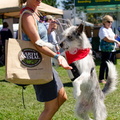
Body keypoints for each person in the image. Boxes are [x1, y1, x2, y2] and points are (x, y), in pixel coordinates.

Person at [18, 0, 72, 120]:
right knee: (51, 106)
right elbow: (37, 43)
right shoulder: (27, 15)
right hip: (37, 64)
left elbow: (41, 38)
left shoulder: (37, 12)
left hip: (45, 62)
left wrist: (49, 29)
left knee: (62, 97)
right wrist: (58, 56)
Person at [99, 15, 120, 84]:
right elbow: (106, 39)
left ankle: (108, 78)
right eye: (109, 22)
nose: (110, 23)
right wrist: (116, 41)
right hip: (105, 50)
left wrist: (116, 37)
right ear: (104, 22)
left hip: (112, 49)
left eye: (111, 22)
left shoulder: (110, 29)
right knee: (104, 64)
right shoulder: (102, 29)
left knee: (111, 64)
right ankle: (101, 78)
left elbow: (112, 37)